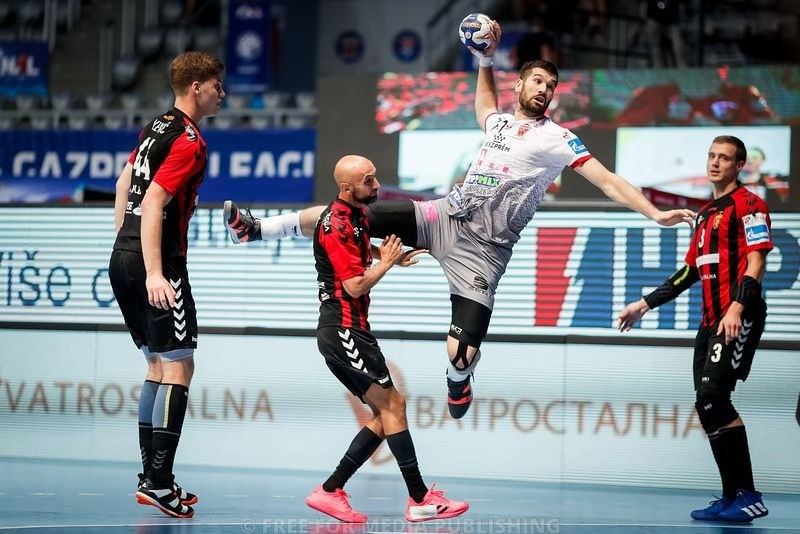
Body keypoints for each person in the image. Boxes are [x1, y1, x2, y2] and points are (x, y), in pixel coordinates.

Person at [224, 19, 695, 421]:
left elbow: (608, 180)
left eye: (551, 86)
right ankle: (257, 228)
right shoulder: (501, 123)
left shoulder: (558, 139)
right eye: (537, 81)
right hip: (443, 216)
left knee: (460, 353)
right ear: (520, 85)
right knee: (344, 213)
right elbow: (485, 107)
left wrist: (655, 213)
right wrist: (485, 61)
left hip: (483, 253)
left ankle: (458, 378)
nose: (544, 90)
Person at [304, 155, 468, 523]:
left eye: (375, 177)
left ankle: (330, 490)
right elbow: (354, 285)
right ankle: (419, 498)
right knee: (393, 404)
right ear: (346, 187)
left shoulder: (356, 215)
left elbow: (358, 248)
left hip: (350, 330)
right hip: (343, 330)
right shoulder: (335, 224)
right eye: (368, 180)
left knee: (385, 413)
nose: (377, 185)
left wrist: (386, 254)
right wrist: (386, 263)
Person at [618, 136, 771, 523]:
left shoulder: (750, 204)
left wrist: (737, 307)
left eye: (725, 158)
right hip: (709, 321)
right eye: (712, 156)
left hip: (738, 314)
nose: (715, 162)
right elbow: (690, 271)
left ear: (739, 166)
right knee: (706, 404)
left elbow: (756, 263)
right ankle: (731, 495)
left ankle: (749, 495)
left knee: (715, 397)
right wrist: (644, 304)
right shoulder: (704, 214)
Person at [108, 51, 225, 519]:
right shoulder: (190, 140)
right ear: (196, 87)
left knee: (158, 366)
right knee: (179, 367)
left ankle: (152, 478)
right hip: (158, 262)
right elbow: (155, 201)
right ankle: (158, 482)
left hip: (123, 255)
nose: (222, 93)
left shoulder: (155, 125)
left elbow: (124, 185)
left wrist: (126, 244)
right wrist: (155, 271)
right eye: (216, 85)